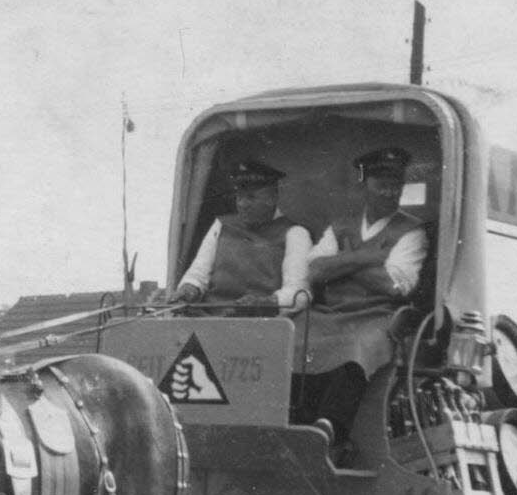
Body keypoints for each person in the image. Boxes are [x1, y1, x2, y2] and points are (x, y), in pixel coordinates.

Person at [292, 146, 432, 459]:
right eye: (381, 182)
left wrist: (341, 264)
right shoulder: (341, 224)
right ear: (364, 185)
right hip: (330, 314)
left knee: (360, 345)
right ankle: (293, 421)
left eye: (396, 183)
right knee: (296, 335)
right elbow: (314, 270)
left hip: (377, 315)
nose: (390, 190)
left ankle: (329, 427)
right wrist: (369, 258)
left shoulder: (412, 232)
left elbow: (395, 285)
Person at [172, 159, 313, 312]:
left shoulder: (296, 234)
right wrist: (188, 290)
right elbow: (198, 275)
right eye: (239, 197)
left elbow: (299, 294)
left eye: (251, 197)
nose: (242, 204)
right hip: (211, 320)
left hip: (266, 326)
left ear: (272, 198)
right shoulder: (221, 226)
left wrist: (266, 304)